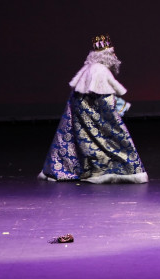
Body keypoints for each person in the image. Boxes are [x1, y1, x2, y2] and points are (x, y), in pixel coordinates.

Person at [38, 35, 148, 184]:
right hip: (90, 115)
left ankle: (88, 170)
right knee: (114, 139)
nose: (115, 56)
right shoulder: (99, 70)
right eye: (112, 53)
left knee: (85, 141)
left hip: (83, 114)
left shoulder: (90, 68)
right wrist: (117, 108)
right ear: (106, 55)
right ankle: (113, 170)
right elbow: (103, 97)